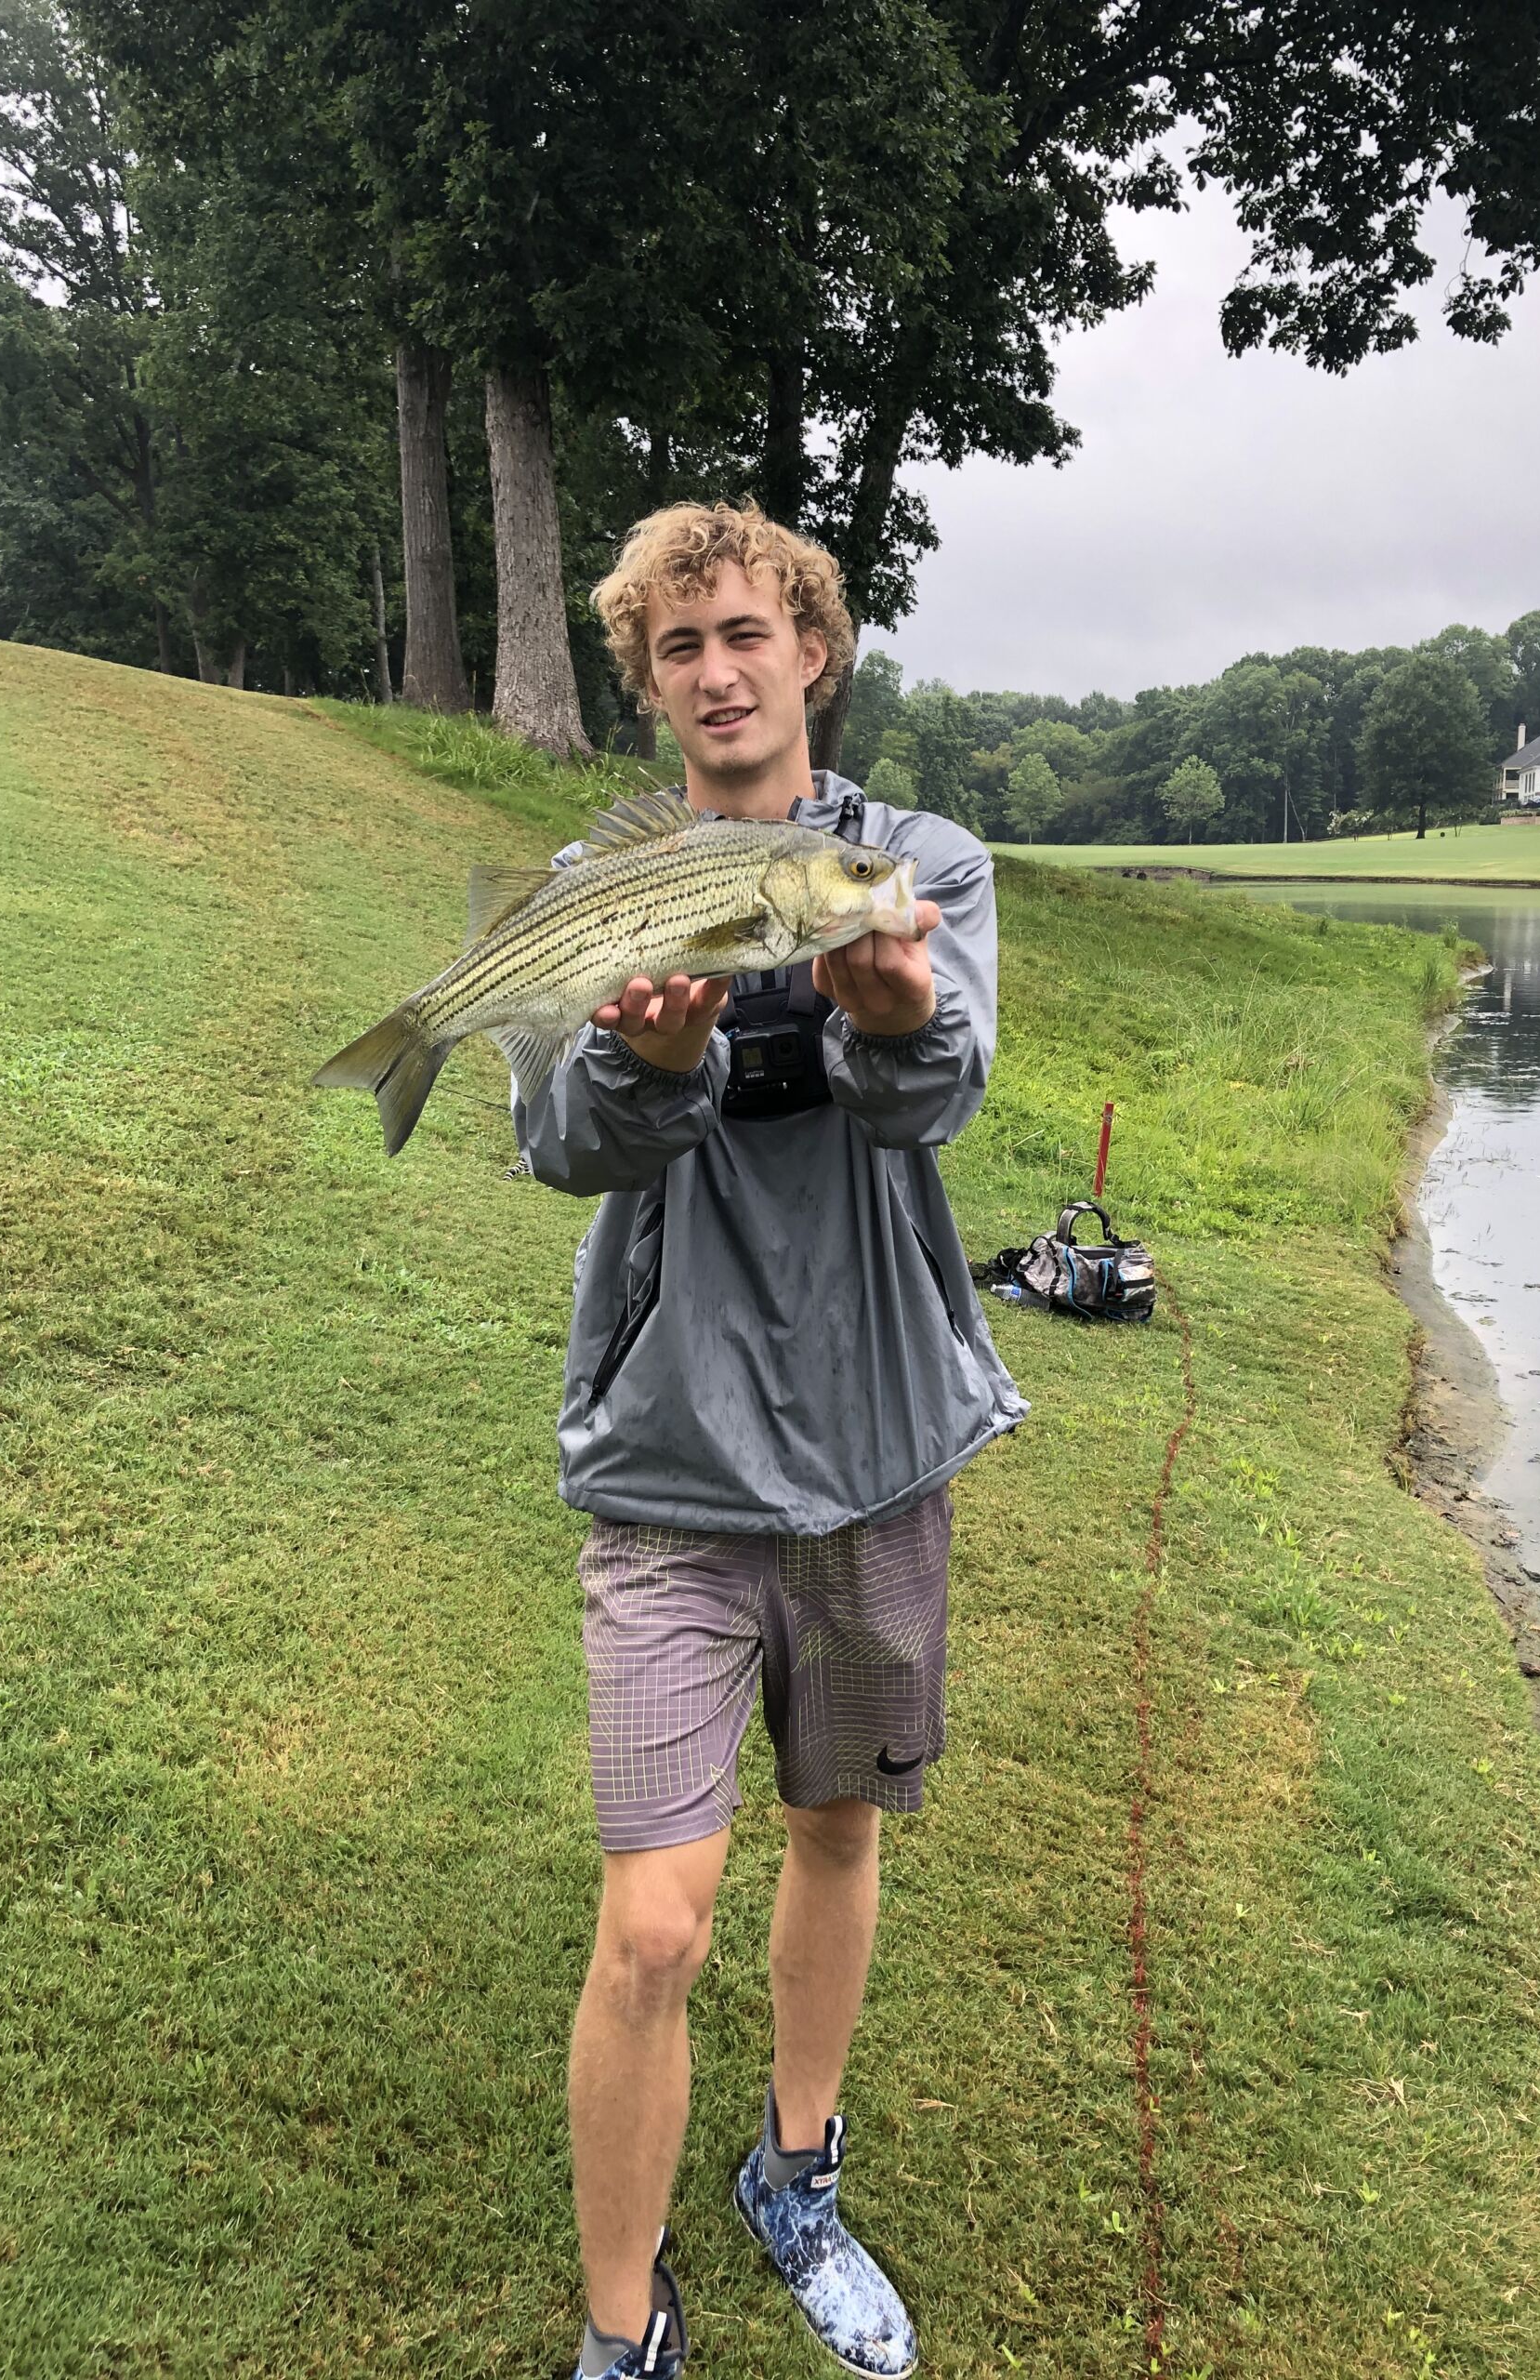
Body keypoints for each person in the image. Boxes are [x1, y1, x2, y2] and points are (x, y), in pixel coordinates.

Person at [520, 501, 1027, 2380]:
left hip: (881, 1439)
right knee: (655, 1919)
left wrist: (889, 1012)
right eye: (679, 648)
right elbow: (564, 1148)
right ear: (649, 683)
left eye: (748, 631)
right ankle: (621, 2321)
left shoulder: (922, 865)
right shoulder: (610, 877)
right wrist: (644, 1065)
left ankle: (794, 2171)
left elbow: (943, 1089)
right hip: (672, 1450)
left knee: (836, 1826)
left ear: (814, 646)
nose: (720, 672)